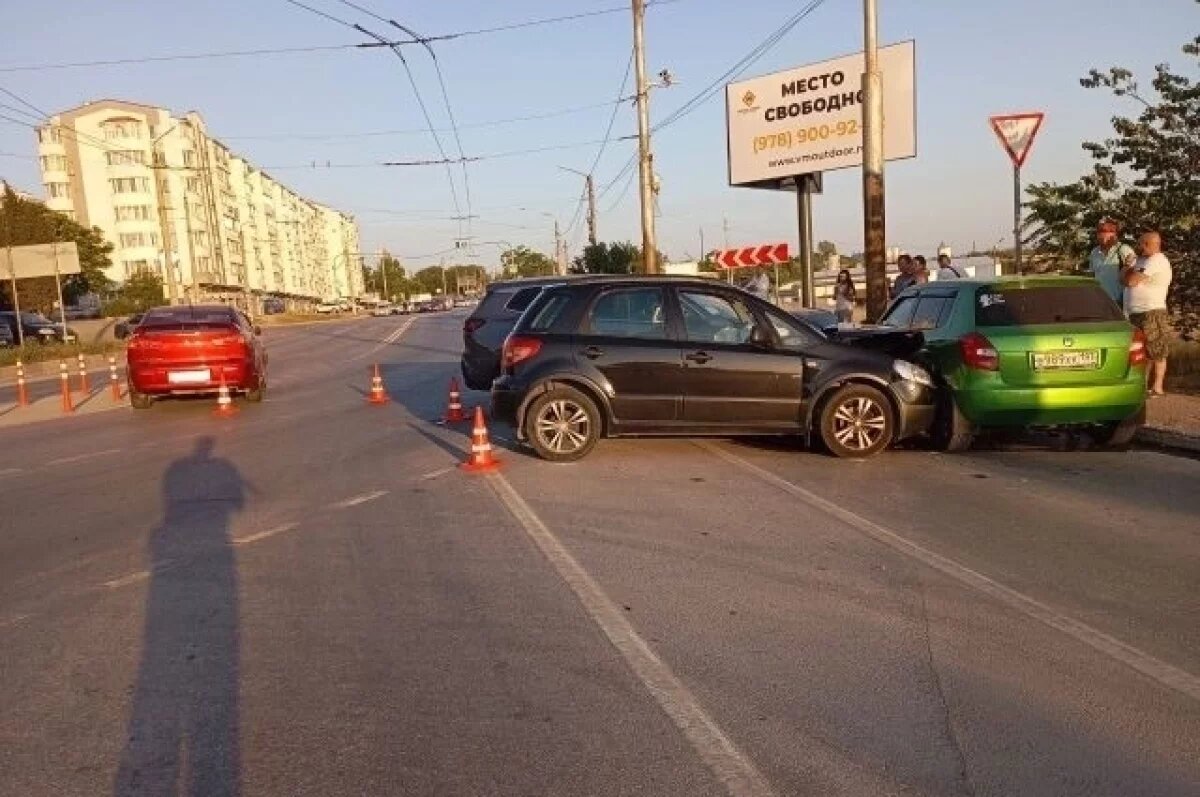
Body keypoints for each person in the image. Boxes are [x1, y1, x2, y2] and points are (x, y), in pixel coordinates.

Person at [1123, 230, 1172, 396]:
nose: (1140, 247)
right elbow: (1122, 278)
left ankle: (1157, 386)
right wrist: (1127, 267)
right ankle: (1141, 386)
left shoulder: (1157, 261)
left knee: (1156, 349)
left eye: (1144, 244)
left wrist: (1130, 272)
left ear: (1154, 244)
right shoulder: (1141, 260)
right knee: (1140, 350)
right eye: (1140, 243)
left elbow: (1131, 281)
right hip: (1136, 311)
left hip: (1152, 311)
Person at [1088, 218, 1137, 307]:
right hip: (1099, 301)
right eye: (1099, 232)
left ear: (1115, 234)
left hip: (1119, 302)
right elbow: (1092, 276)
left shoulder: (1124, 249)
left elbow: (1134, 275)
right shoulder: (1094, 252)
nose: (1101, 235)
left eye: (1105, 231)